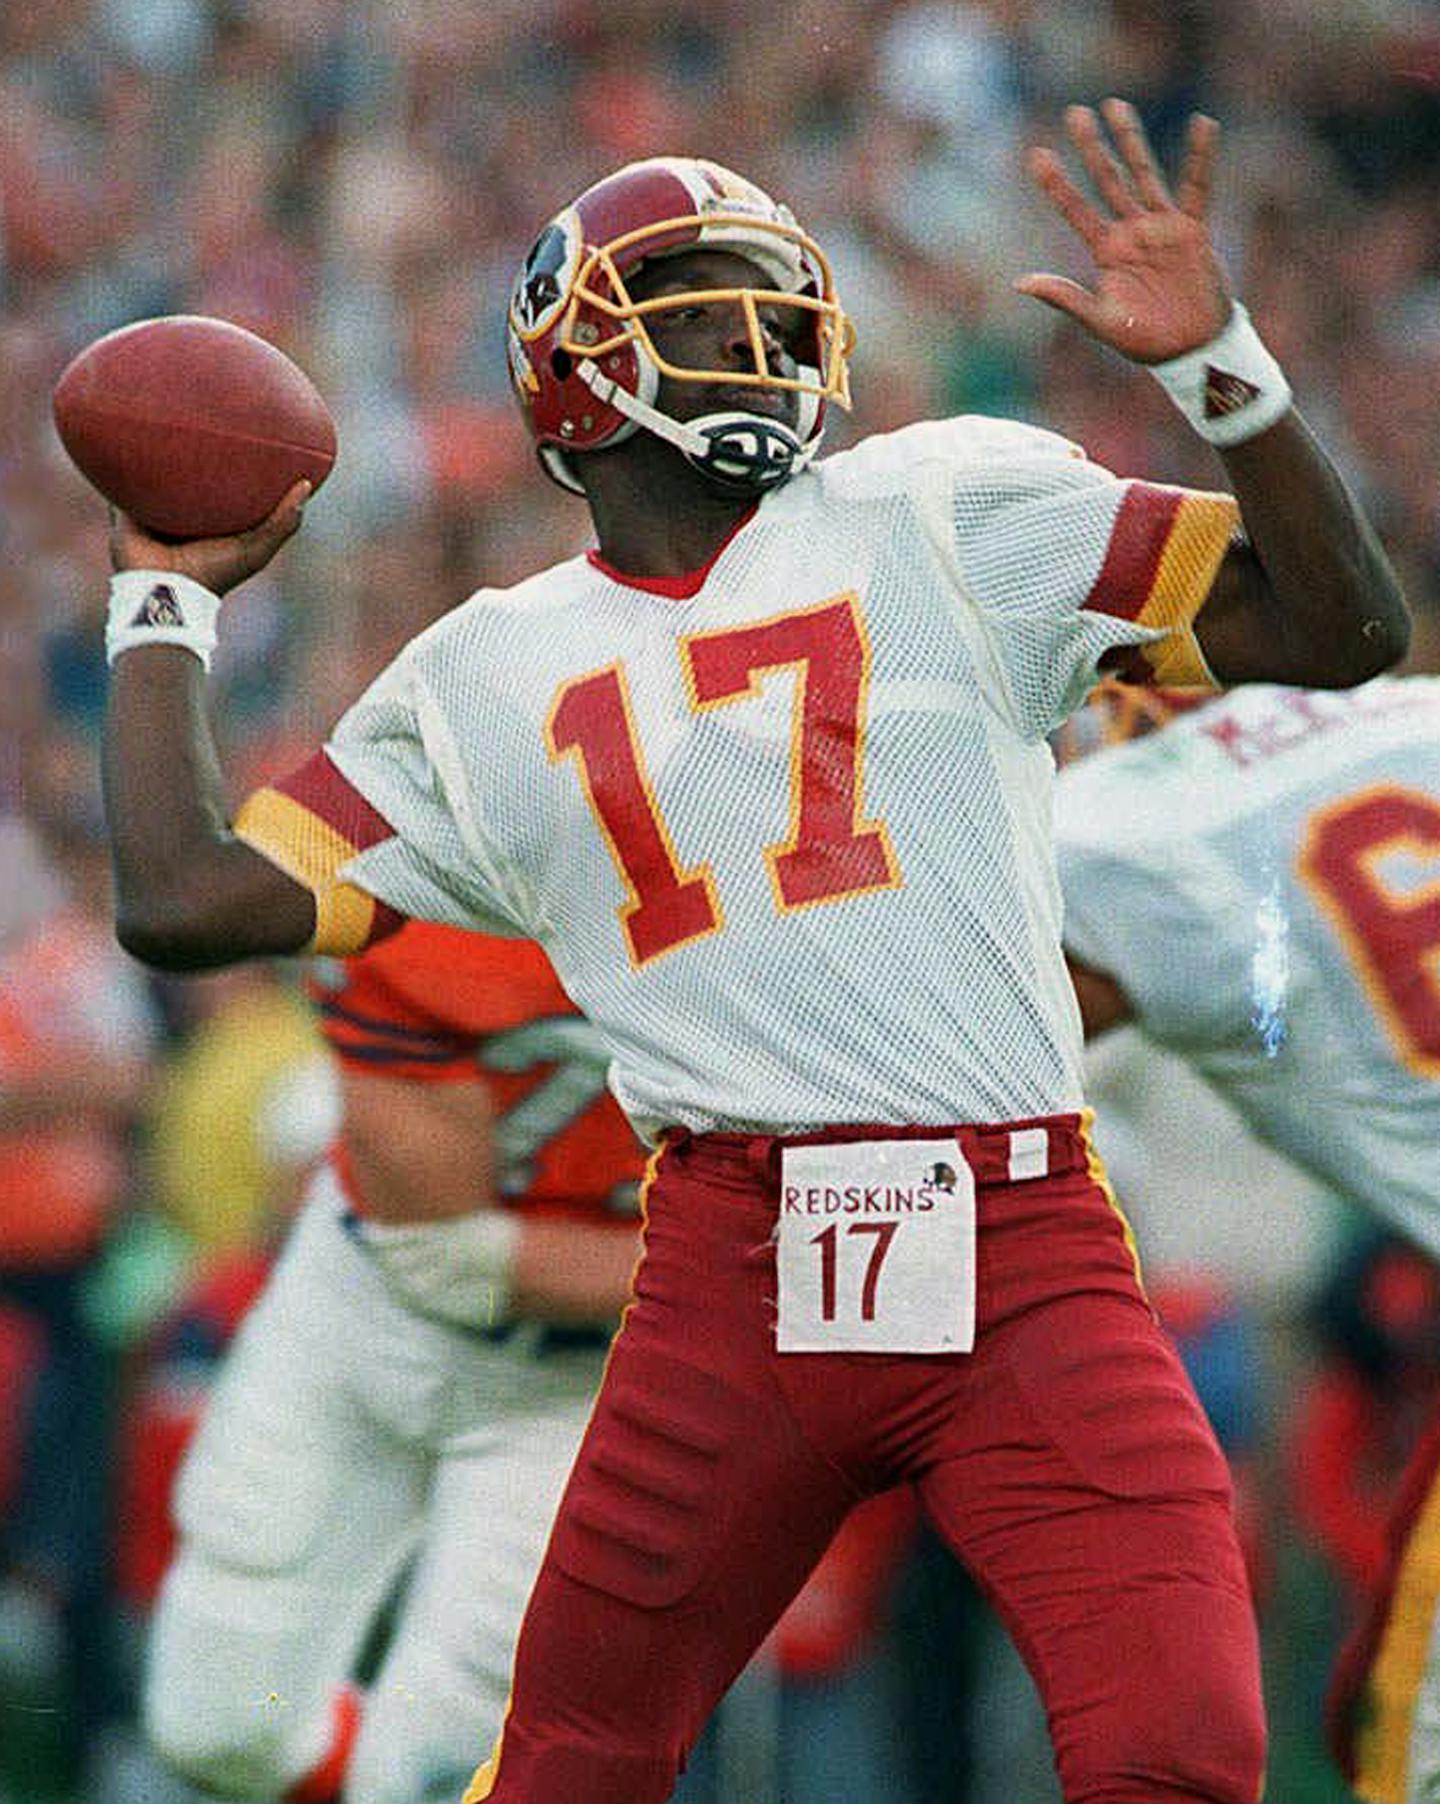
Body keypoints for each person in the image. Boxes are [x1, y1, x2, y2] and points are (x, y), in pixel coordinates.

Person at [97, 101, 1408, 1804]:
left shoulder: (945, 501)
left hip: (1023, 1240)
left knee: (1182, 1744)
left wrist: (1227, 367)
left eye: (773, 305)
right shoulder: (484, 673)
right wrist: (162, 596)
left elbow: (1344, 624)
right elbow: (187, 898)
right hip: (728, 1263)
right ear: (575, 366)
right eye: (703, 306)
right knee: (570, 1759)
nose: (761, 337)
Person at [138, 917, 646, 1804]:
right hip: (369, 1309)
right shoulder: (429, 884)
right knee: (213, 1721)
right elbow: (441, 1258)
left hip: (577, 1380)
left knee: (452, 1756)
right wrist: (722, 1255)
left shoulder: (809, 942)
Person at [1051, 670, 1440, 1804]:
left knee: (1395, 1739)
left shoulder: (1126, 836)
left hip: (1229, 1305)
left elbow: (982, 1054)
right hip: (1245, 1310)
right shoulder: (1407, 712)